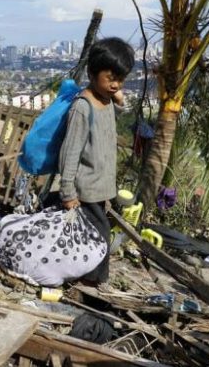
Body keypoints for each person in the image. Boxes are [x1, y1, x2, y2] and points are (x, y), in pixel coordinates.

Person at [58, 37, 135, 284]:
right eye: (110, 78)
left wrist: (120, 104)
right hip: (86, 189)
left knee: (90, 238)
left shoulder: (106, 101)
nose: (116, 85)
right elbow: (70, 153)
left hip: (101, 189)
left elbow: (107, 126)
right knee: (98, 238)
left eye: (120, 79)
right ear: (92, 73)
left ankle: (85, 280)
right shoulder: (82, 107)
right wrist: (68, 192)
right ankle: (93, 285)